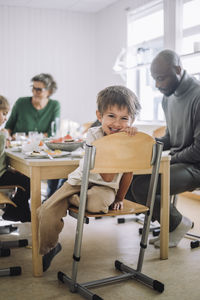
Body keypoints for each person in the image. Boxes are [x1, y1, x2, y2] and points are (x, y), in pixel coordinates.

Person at [37, 85, 141, 271]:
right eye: (111, 116)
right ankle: (51, 246)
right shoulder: (94, 135)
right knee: (45, 211)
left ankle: (70, 200)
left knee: (97, 205)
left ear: (132, 121)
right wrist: (120, 142)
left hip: (105, 186)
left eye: (124, 118)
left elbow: (121, 174)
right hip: (79, 180)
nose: (117, 124)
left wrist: (119, 198)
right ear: (99, 116)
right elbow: (102, 170)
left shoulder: (130, 141)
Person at [128, 49, 200, 248]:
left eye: (161, 79)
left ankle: (177, 224)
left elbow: (198, 150)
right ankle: (172, 224)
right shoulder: (168, 97)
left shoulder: (198, 96)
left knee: (143, 186)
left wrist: (167, 160)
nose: (157, 85)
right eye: (154, 79)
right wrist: (145, 146)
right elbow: (170, 137)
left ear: (178, 69)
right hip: (180, 163)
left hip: (196, 166)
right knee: (130, 178)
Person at [5, 73, 61, 198]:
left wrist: (30, 138)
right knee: (26, 174)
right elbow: (8, 127)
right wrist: (7, 137)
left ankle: (49, 202)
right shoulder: (21, 102)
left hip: (41, 149)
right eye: (33, 88)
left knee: (56, 170)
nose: (34, 92)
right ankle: (23, 204)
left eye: (39, 89)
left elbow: (52, 132)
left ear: (49, 91)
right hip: (18, 148)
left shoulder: (54, 105)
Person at [0, 95, 30, 222]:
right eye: (4, 113)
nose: (5, 118)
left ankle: (16, 211)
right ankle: (17, 213)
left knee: (21, 178)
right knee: (27, 179)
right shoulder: (1, 135)